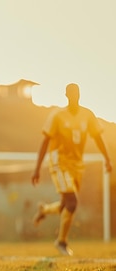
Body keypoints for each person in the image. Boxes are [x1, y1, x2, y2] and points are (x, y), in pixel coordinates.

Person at [31, 83, 112, 255]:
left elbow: (97, 137)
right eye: (72, 93)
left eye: (77, 92)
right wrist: (37, 168)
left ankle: (44, 210)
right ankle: (61, 242)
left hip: (77, 164)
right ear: (66, 95)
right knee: (73, 202)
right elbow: (45, 141)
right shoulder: (57, 116)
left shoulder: (87, 115)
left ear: (80, 94)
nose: (75, 95)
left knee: (64, 205)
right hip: (59, 161)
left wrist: (107, 158)